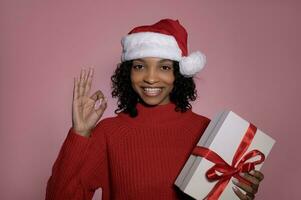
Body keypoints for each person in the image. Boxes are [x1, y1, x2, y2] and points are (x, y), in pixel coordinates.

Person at [46, 19, 264, 200]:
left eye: (164, 67)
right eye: (139, 66)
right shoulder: (108, 133)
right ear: (128, 73)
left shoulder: (208, 130)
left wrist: (240, 191)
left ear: (178, 74)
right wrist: (80, 134)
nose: (150, 78)